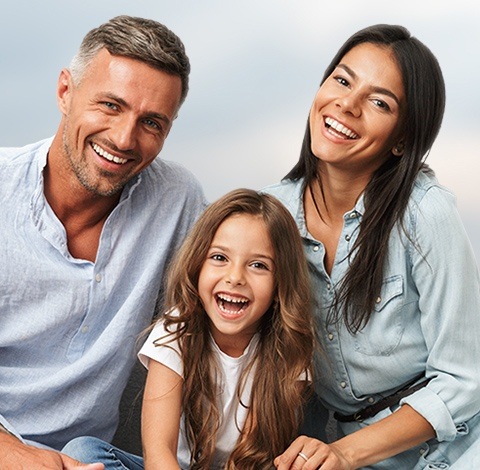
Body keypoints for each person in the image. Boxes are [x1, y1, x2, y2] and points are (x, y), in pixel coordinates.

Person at [264, 24, 480, 469]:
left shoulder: (425, 212)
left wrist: (343, 453)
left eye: (380, 102)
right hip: (357, 455)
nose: (347, 104)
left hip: (460, 441)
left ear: (403, 138)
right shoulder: (272, 214)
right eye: (342, 80)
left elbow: (464, 379)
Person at [0, 15, 206, 469]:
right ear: (65, 92)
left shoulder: (176, 200)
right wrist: (14, 455)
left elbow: (202, 331)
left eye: (152, 122)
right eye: (110, 105)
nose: (124, 138)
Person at [62, 188, 323, 469]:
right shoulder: (176, 330)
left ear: (279, 284)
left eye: (258, 265)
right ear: (198, 263)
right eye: (220, 258)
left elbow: (247, 458)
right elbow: (158, 451)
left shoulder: (289, 346)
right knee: (82, 452)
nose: (235, 277)